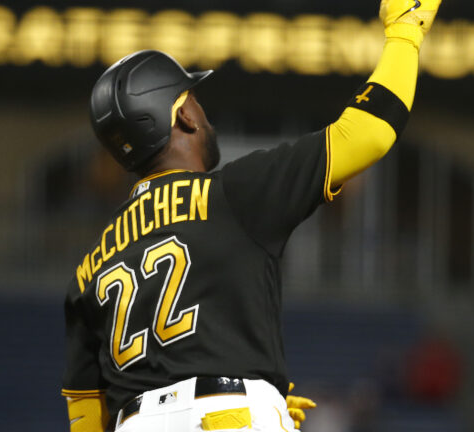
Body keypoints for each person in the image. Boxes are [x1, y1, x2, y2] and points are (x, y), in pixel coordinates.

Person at [61, 0, 443, 430]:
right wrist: (405, 32)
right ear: (183, 115)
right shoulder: (232, 194)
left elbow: (85, 417)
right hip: (230, 416)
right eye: (195, 101)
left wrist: (260, 387)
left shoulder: (88, 268)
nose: (203, 114)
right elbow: (369, 132)